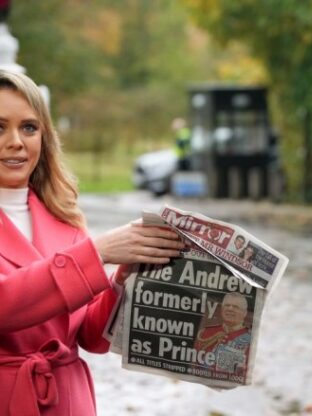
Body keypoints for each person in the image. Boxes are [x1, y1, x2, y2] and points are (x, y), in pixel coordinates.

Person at [0, 70, 186, 415]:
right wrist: (97, 253)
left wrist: (126, 276)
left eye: (29, 127)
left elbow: (92, 338)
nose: (16, 141)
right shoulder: (85, 247)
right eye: (0, 127)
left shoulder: (65, 217)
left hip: (69, 400)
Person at [194, 292, 251, 374]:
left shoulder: (250, 339)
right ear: (221, 309)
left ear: (244, 313)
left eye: (236, 307)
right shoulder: (206, 332)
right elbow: (194, 364)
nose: (230, 309)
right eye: (227, 305)